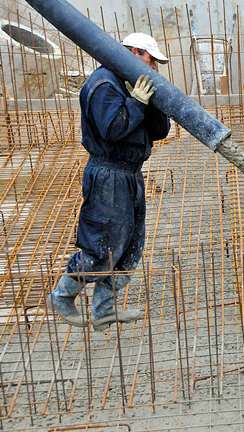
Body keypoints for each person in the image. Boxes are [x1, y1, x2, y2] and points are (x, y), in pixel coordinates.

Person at [48, 33, 171, 331]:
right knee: (100, 245)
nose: (154, 66)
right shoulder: (104, 84)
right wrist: (136, 104)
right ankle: (62, 296)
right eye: (150, 58)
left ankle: (103, 309)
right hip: (108, 175)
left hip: (130, 174)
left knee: (129, 244)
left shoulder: (131, 84)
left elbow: (159, 132)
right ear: (132, 51)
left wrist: (150, 104)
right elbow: (113, 128)